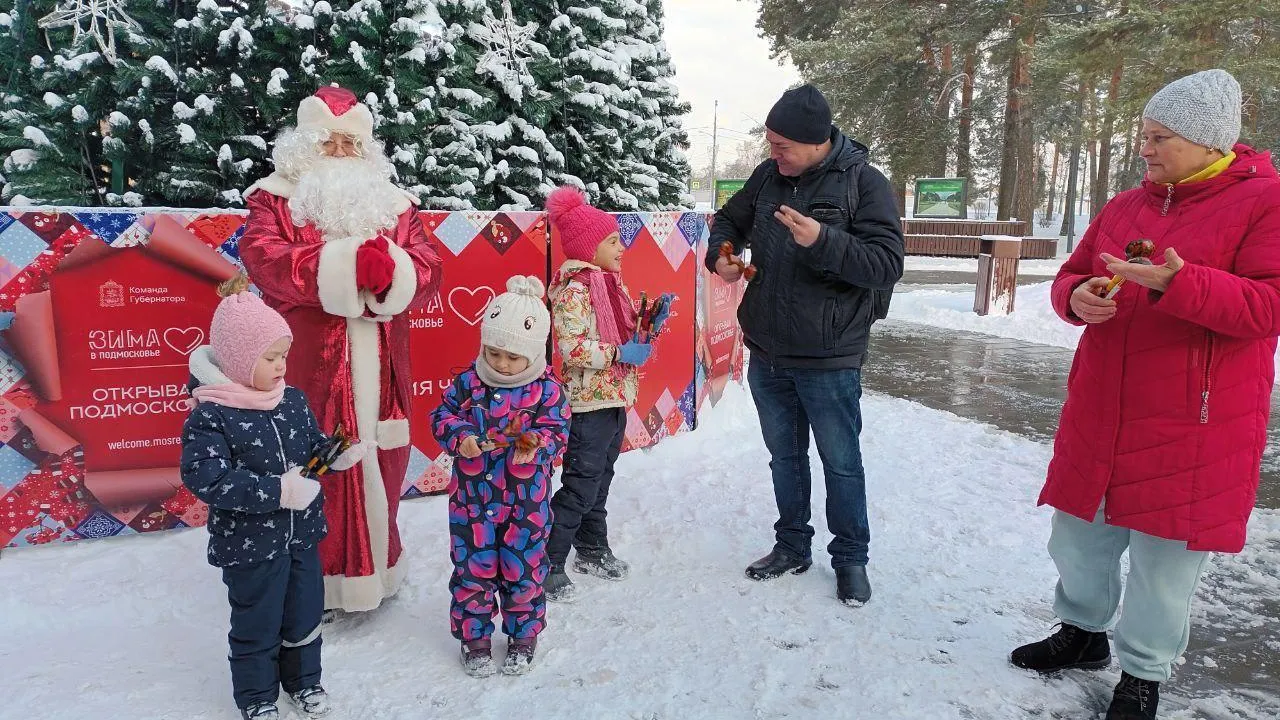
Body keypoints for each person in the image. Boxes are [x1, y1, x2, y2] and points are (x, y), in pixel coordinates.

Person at [1010, 69, 1280, 720]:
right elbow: (1072, 274)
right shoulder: (1127, 205)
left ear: (1207, 141)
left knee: (1164, 563)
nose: (1145, 149)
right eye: (1144, 136)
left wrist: (1179, 284)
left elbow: (1268, 307)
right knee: (1079, 539)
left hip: (1196, 425)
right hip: (1102, 409)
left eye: (1159, 138)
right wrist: (1074, 297)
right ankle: (1082, 634)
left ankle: (1144, 674)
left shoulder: (1266, 202)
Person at [239, 84, 443, 614]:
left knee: (385, 462)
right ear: (304, 146)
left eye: (350, 145)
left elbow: (429, 265)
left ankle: (379, 568)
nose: (339, 153)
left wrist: (392, 272)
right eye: (328, 143)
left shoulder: (395, 205)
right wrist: (341, 268)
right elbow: (265, 258)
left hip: (383, 362)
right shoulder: (274, 198)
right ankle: (319, 580)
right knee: (316, 465)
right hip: (309, 362)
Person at [705, 83, 904, 606]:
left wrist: (822, 240)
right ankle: (791, 545)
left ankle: (851, 559)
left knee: (840, 461)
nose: (773, 154)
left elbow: (886, 264)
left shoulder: (865, 183)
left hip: (830, 355)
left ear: (817, 142)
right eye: (770, 143)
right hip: (769, 348)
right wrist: (723, 253)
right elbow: (730, 220)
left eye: (782, 145)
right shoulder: (769, 176)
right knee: (784, 457)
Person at [180, 275, 375, 720]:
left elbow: (311, 445)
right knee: (258, 623)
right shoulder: (213, 414)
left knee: (304, 615)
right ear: (238, 360)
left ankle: (304, 683)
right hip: (249, 546)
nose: (281, 365)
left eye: (283, 355)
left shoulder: (290, 401)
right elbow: (206, 477)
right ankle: (257, 698)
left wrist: (335, 455)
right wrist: (278, 491)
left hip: (302, 536)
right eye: (270, 357)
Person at [430, 276, 570, 677]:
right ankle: (474, 638)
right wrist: (461, 438)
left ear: (533, 352)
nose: (502, 364)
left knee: (524, 569)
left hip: (526, 504)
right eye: (494, 353)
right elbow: (441, 417)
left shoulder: (547, 391)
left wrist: (537, 444)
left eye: (512, 357)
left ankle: (523, 635)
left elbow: (559, 432)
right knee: (473, 569)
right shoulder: (468, 384)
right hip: (472, 504)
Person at [544, 185, 672, 602]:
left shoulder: (609, 283)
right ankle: (548, 563)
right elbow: (571, 347)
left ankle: (592, 549)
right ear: (589, 246)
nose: (622, 248)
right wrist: (621, 351)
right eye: (613, 241)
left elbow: (626, 326)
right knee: (581, 483)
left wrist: (651, 319)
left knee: (601, 480)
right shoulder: (576, 290)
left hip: (615, 396)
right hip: (588, 403)